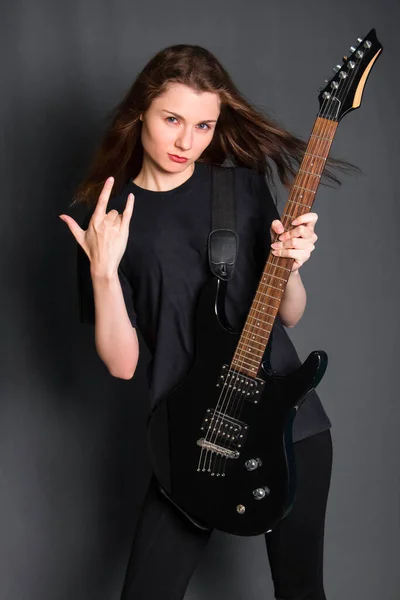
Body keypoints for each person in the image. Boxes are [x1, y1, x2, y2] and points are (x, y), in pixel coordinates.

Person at [59, 43, 354, 600]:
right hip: (189, 435)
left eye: (203, 125)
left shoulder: (238, 189)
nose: (186, 142)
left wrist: (287, 266)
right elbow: (123, 366)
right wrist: (103, 272)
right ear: (138, 114)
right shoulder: (102, 219)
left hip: (290, 426)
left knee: (300, 590)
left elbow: (285, 313)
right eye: (172, 119)